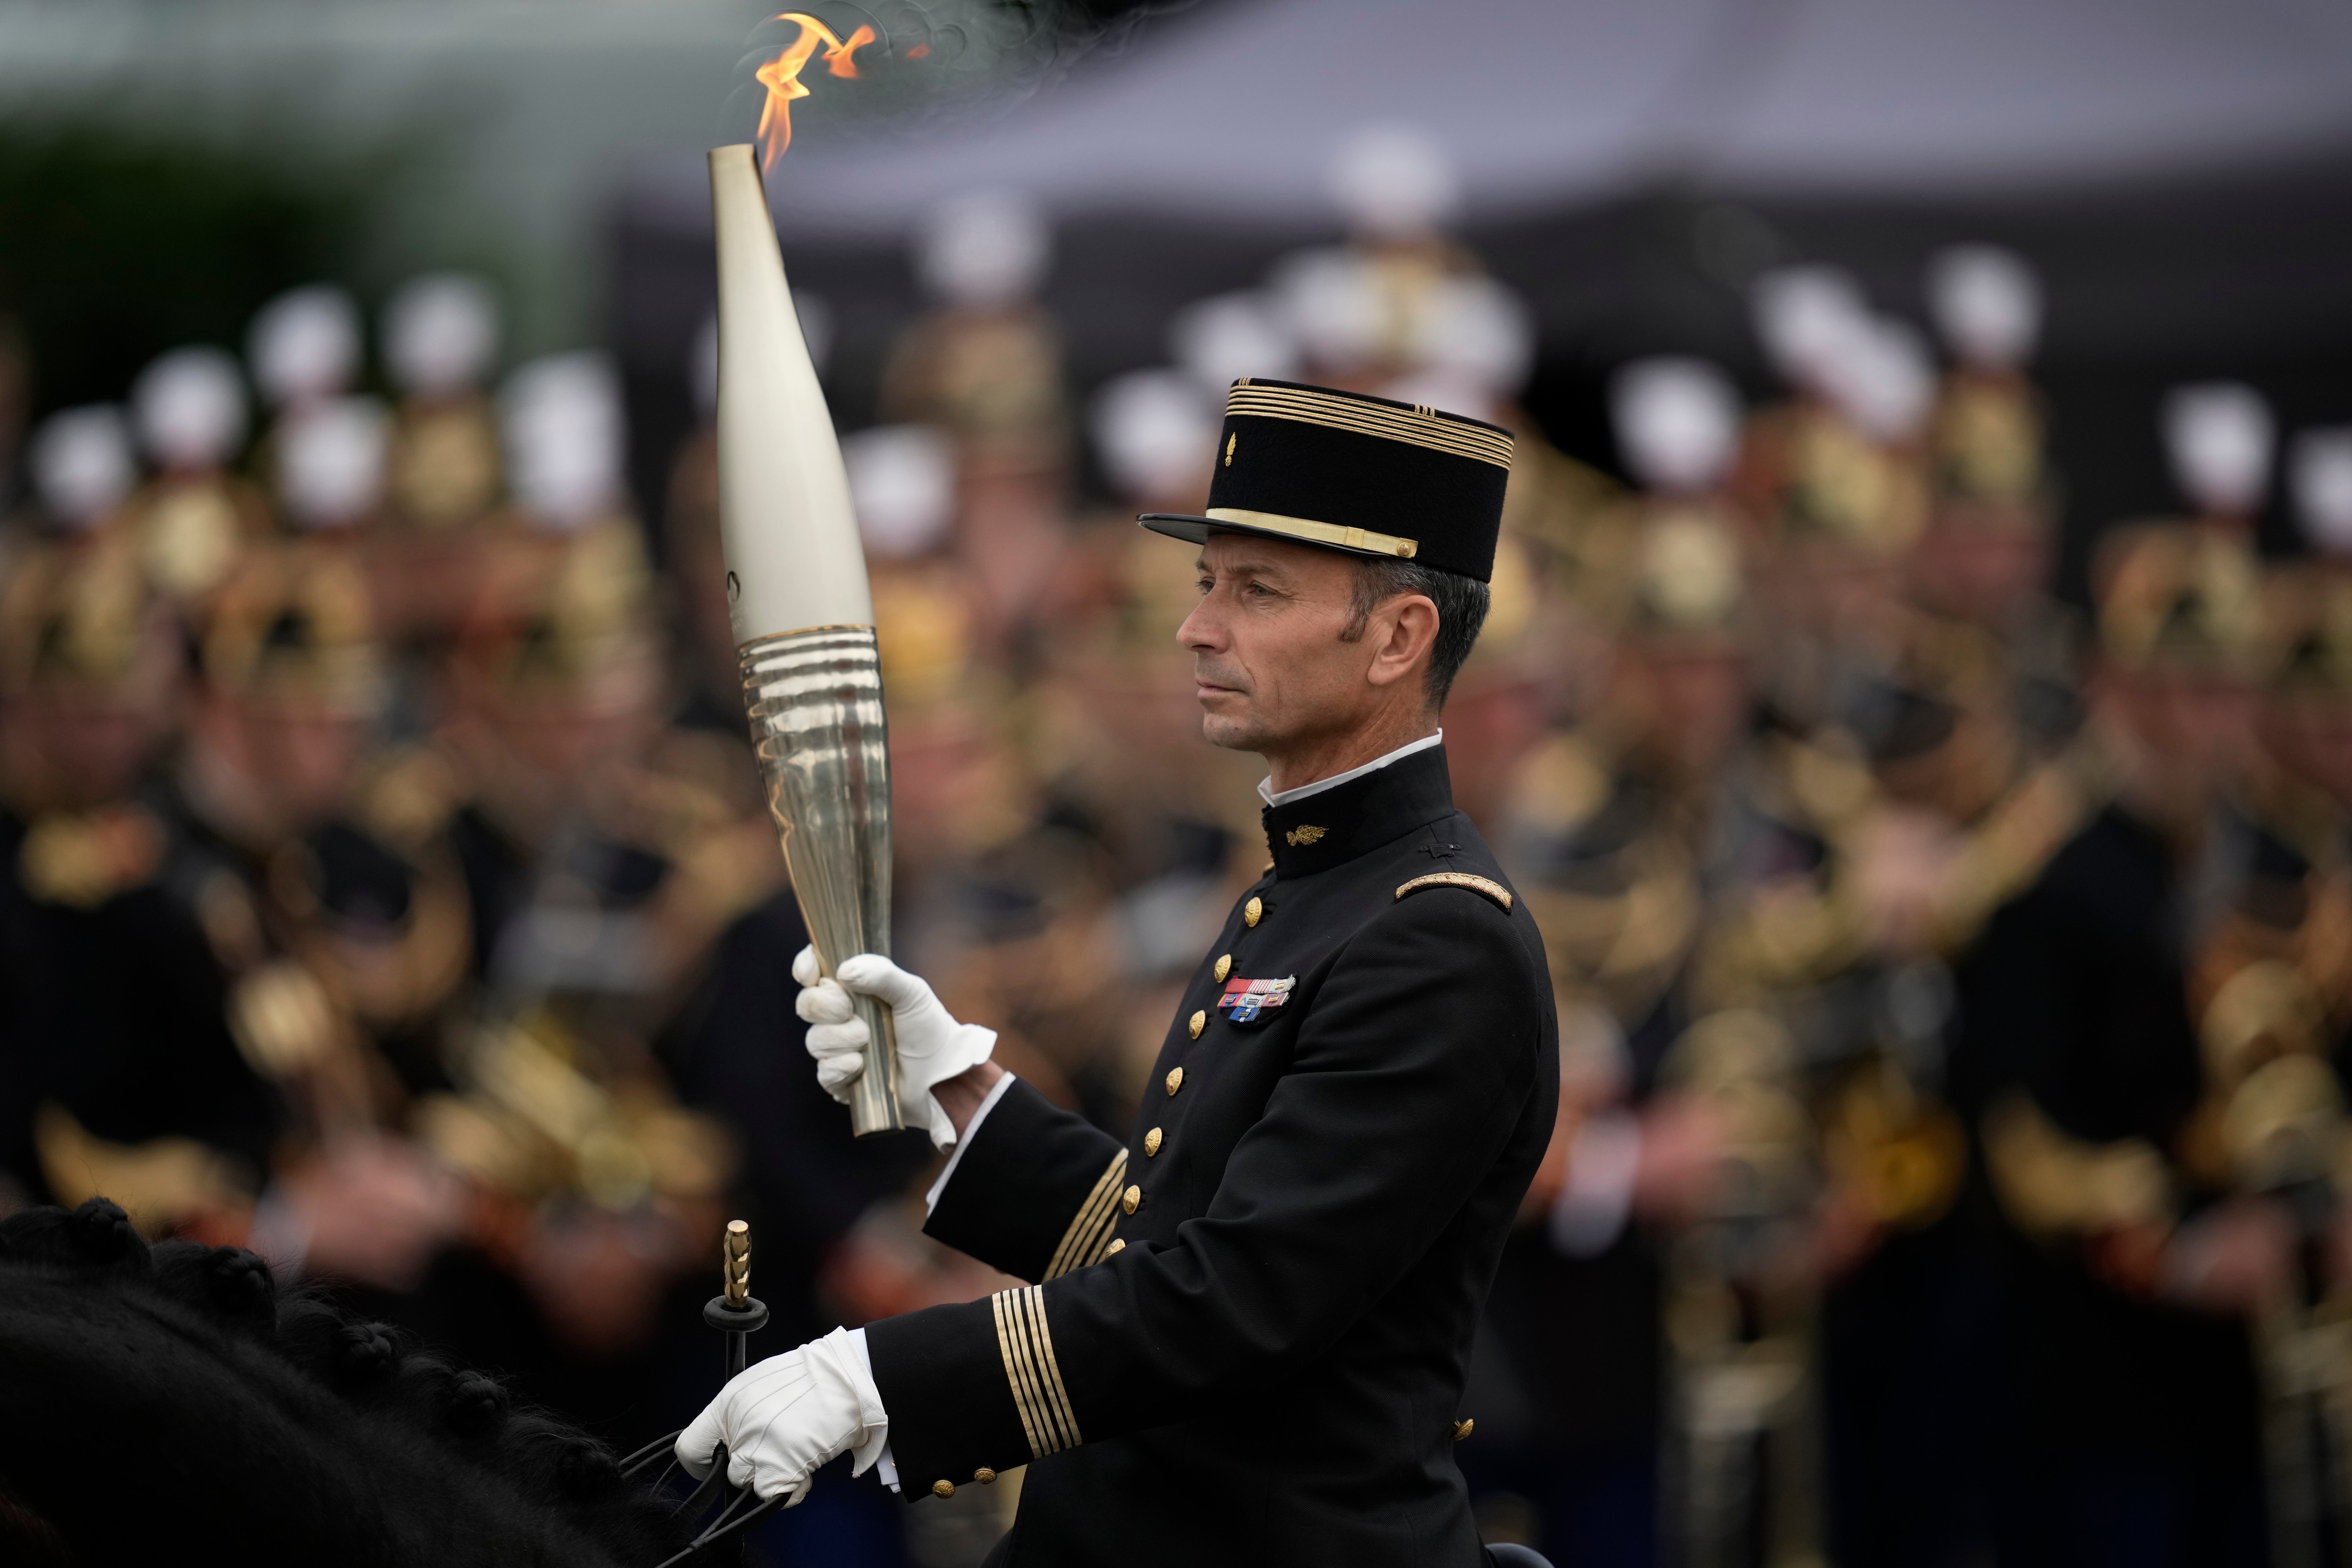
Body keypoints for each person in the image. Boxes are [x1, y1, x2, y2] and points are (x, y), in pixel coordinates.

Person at [678, 378, 1561, 1566]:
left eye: (1256, 592)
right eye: (1210, 583)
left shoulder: (1440, 936)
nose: (1198, 627)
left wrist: (878, 1375)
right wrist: (960, 1093)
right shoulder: (1309, 886)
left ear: (1400, 637)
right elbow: (1165, 1236)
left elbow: (1234, 1302)